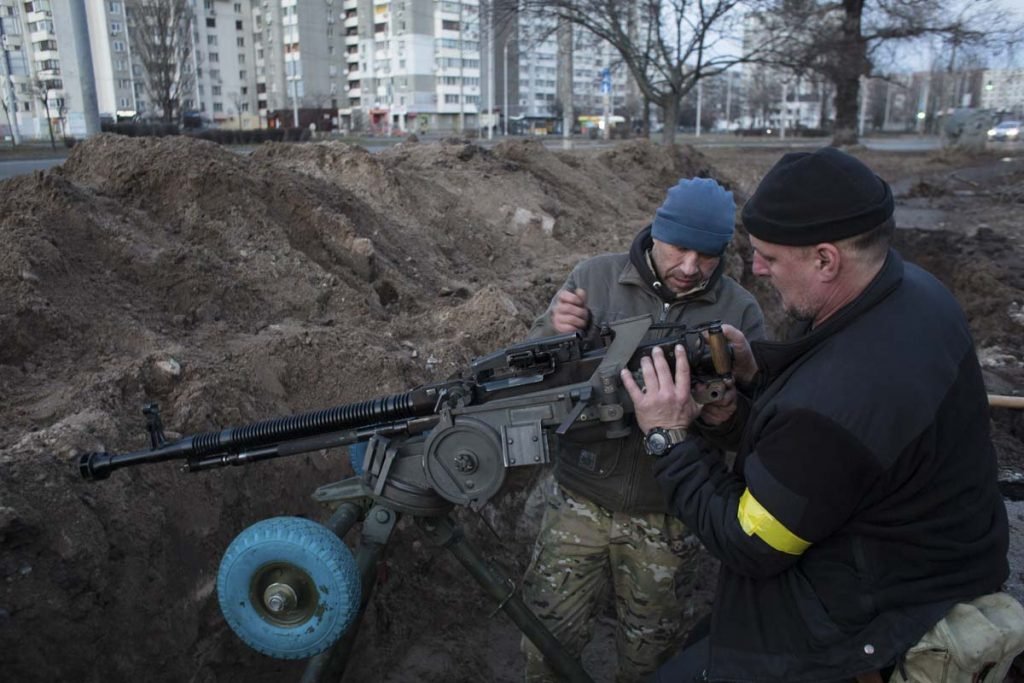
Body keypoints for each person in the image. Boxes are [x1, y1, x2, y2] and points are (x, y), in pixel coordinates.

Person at [621, 147, 1022, 682]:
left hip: (866, 624)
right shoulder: (916, 294)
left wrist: (668, 438)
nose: (756, 269)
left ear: (826, 259)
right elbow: (830, 375)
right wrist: (756, 367)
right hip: (922, 566)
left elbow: (750, 543)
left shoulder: (841, 404)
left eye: (768, 256)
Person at [521, 177, 765, 682]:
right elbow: (531, 379)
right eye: (680, 248)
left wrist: (726, 416)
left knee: (652, 657)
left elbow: (758, 431)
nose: (691, 267)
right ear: (656, 231)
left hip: (671, 519)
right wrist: (552, 333)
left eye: (708, 255)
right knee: (546, 642)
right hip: (578, 502)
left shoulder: (740, 313)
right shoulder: (596, 278)